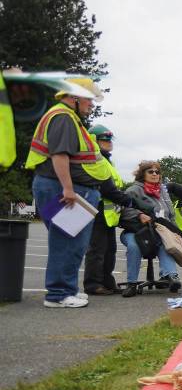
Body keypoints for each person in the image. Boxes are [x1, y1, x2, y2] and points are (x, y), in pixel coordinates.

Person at [26, 78, 133, 308]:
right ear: (74, 97)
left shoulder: (66, 117)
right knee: (67, 241)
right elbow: (59, 155)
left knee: (71, 241)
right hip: (63, 188)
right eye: (89, 99)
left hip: (62, 186)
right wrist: (68, 188)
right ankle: (58, 294)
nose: (91, 105)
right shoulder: (63, 117)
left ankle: (67, 289)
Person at [119, 161, 182, 297]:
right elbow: (122, 211)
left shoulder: (162, 192)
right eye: (151, 171)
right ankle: (132, 284)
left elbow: (170, 216)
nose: (155, 174)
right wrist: (139, 214)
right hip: (135, 231)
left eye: (157, 172)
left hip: (158, 231)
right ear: (143, 174)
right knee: (134, 246)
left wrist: (175, 233)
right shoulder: (133, 190)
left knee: (168, 243)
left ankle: (171, 277)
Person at [82, 124, 124, 296]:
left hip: (108, 214)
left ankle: (107, 281)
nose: (108, 142)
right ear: (94, 140)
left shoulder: (107, 160)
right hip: (96, 210)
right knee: (97, 251)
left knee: (109, 250)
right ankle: (93, 284)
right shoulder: (94, 158)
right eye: (104, 139)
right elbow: (106, 187)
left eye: (109, 139)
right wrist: (126, 199)